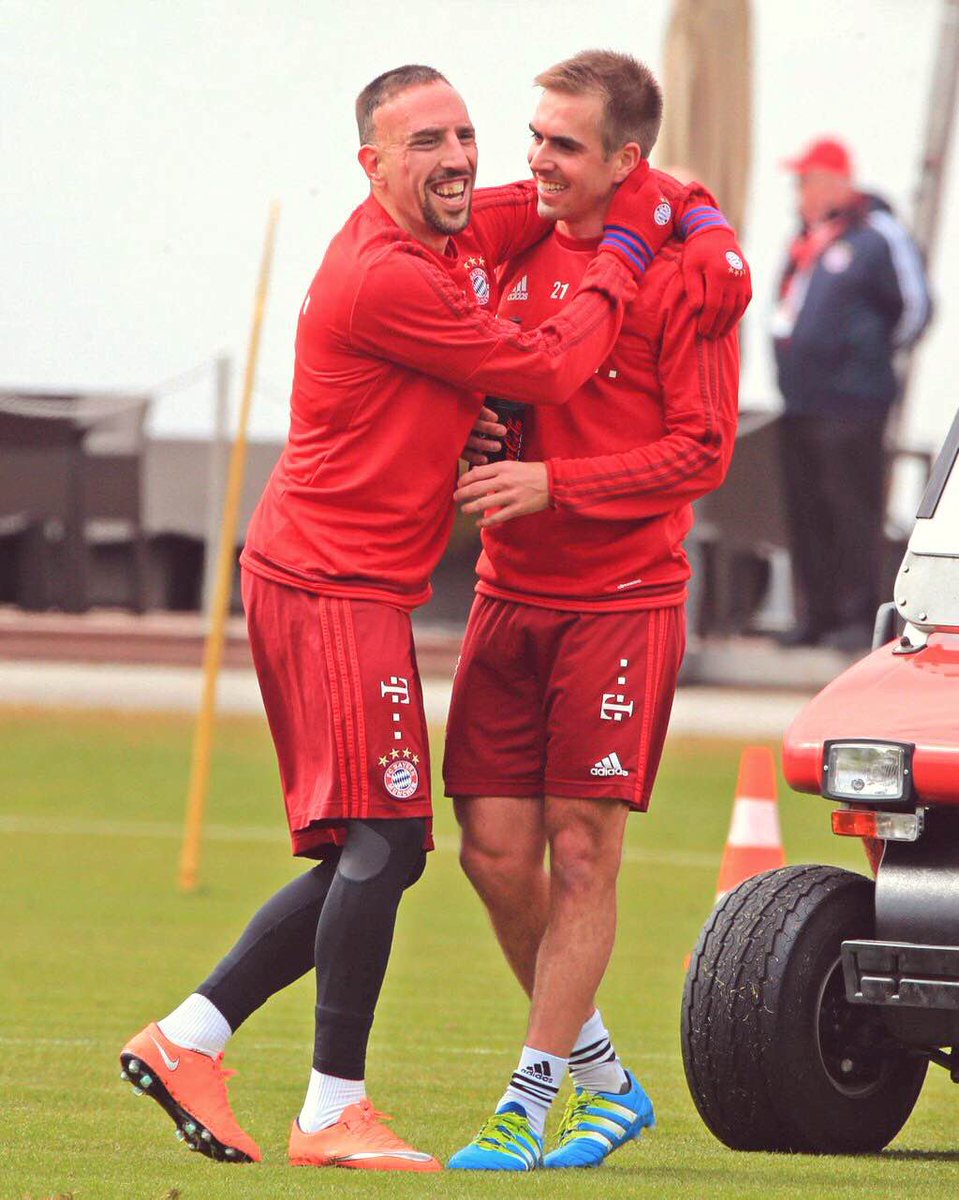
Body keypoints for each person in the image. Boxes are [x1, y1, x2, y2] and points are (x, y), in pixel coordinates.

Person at [119, 63, 750, 1173]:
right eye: (428, 143)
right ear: (371, 166)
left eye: (471, 135)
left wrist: (697, 222)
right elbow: (549, 364)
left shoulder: (476, 227)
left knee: (401, 848)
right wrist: (634, 246)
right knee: (398, 844)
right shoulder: (390, 273)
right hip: (335, 581)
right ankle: (315, 1101)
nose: (473, 159)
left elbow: (627, 215)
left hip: (454, 590)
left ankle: (204, 1041)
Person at [442, 50, 743, 1171]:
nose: (536, 159)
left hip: (621, 602)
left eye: (562, 144)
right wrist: (478, 430)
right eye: (534, 136)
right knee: (489, 853)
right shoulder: (514, 241)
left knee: (579, 853)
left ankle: (526, 1104)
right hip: (507, 593)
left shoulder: (684, 274)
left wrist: (555, 484)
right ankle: (607, 1082)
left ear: (624, 159)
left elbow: (702, 451)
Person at [772, 136, 932, 651]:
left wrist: (865, 360)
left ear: (834, 182)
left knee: (851, 507)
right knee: (808, 511)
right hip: (801, 401)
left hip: (853, 404)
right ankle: (814, 615)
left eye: (807, 181)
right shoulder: (808, 240)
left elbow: (915, 306)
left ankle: (856, 616)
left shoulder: (876, 234)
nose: (800, 192)